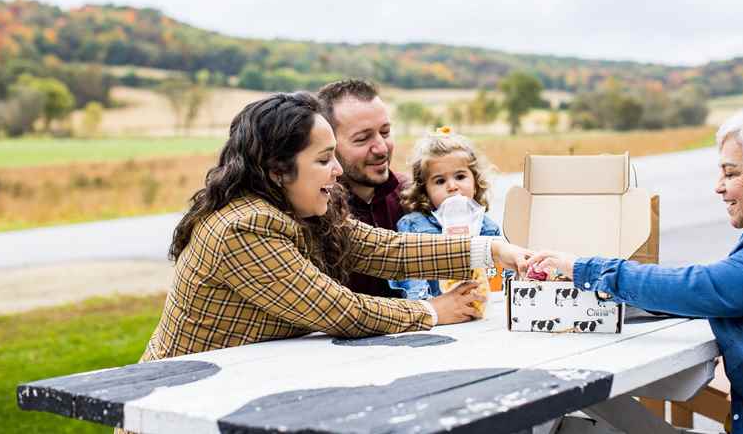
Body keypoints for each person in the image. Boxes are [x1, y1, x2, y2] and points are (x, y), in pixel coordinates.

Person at [142, 92, 530, 363]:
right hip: (178, 408)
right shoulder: (245, 228)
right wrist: (432, 311)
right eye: (324, 159)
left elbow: (387, 249)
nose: (338, 170)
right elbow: (337, 309)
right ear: (278, 170)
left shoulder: (299, 209)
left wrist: (492, 250)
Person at [526, 94, 743, 434]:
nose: (718, 187)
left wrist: (584, 269)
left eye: (731, 173)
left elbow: (705, 288)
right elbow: (715, 291)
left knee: (577, 429)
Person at [388, 127, 513, 300]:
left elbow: (503, 272)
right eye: (440, 181)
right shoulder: (414, 226)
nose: (452, 186)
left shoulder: (488, 228)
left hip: (480, 308)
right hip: (438, 311)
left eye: (460, 177)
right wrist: (426, 305)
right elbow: (409, 275)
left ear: (475, 183)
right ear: (425, 191)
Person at [317, 79, 406, 298]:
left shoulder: (410, 196)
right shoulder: (313, 211)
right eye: (363, 139)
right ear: (328, 145)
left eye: (385, 132)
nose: (381, 148)